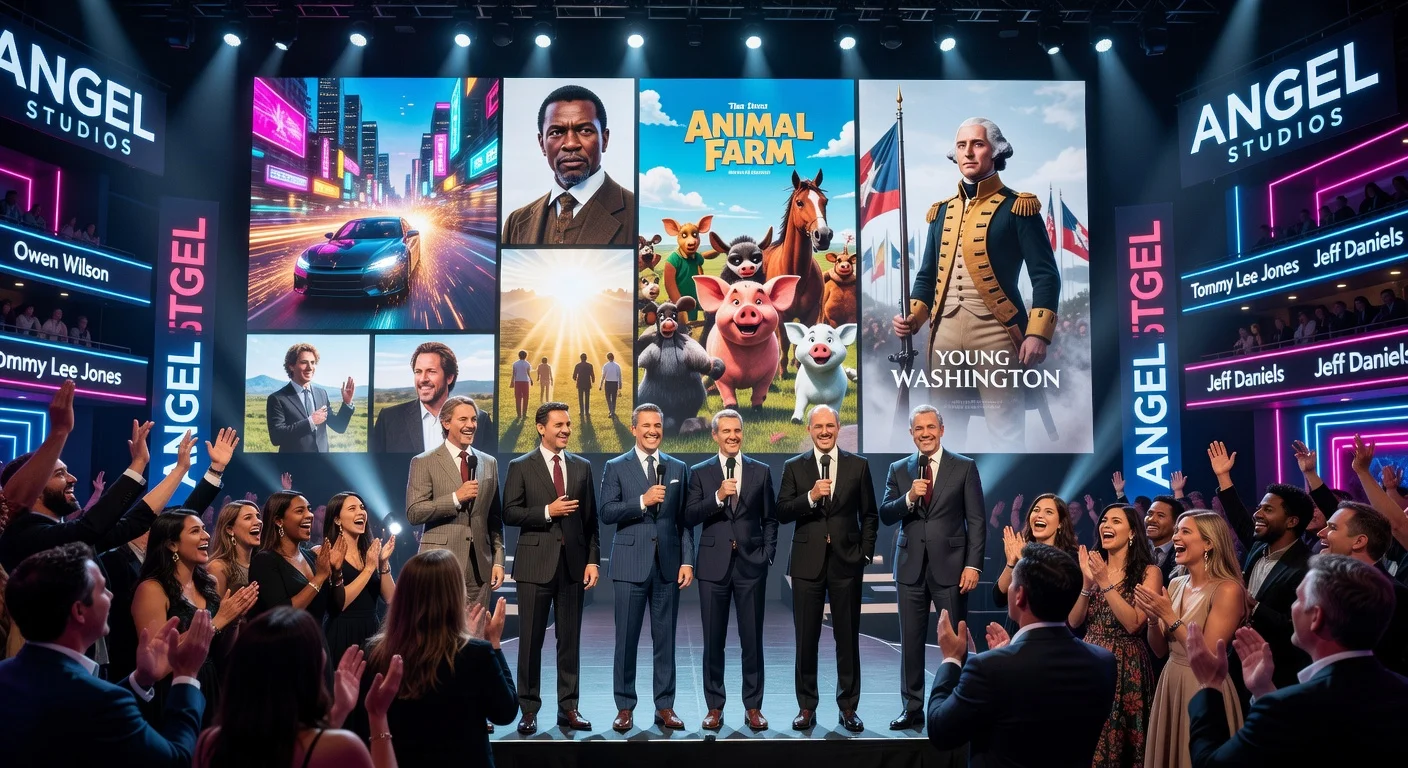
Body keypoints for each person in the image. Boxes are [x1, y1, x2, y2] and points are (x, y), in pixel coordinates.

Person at [892, 117, 1060, 452]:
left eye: (978, 144)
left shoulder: (1018, 207)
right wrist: (913, 317)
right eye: (961, 145)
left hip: (998, 332)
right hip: (943, 334)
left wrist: (1038, 334)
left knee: (1006, 430)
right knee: (942, 432)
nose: (968, 152)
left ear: (996, 151)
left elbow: (1045, 275)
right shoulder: (941, 212)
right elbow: (926, 277)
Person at [0, 543, 214, 767]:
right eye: (102, 589)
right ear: (79, 611)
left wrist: (140, 678)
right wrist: (186, 675)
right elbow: (176, 760)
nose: (111, 596)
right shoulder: (103, 702)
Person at [1184, 556, 1408, 767]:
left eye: (1298, 599)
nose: (1292, 607)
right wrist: (1263, 689)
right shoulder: (1401, 691)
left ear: (1316, 617)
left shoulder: (1288, 708)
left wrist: (1210, 685)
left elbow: (1209, 763)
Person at [926, 543, 1116, 766]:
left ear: (1020, 595)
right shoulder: (1103, 662)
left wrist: (952, 659)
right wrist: (1004, 657)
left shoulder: (989, 669)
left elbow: (941, 731)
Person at [879, 405, 986, 730]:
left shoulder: (964, 466)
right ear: (911, 433)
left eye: (930, 427)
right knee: (910, 642)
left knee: (954, 640)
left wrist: (973, 566)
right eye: (918, 429)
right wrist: (909, 498)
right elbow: (886, 513)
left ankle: (956, 705)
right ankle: (912, 708)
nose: (925, 433)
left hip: (952, 569)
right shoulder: (899, 469)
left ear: (941, 429)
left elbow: (977, 521)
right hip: (909, 567)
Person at [360, 552, 517, 767]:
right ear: (454, 596)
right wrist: (494, 644)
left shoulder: (376, 654)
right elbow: (505, 712)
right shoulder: (476, 654)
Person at [194, 607, 402, 768]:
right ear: (307, 671)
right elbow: (313, 750)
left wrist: (339, 709)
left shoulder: (210, 744)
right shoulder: (346, 748)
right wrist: (377, 716)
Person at [777, 405, 878, 733]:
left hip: (847, 563)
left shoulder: (858, 465)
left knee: (847, 638)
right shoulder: (795, 466)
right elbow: (782, 511)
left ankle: (848, 707)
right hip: (807, 564)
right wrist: (809, 497)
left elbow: (870, 515)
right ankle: (807, 706)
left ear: (838, 427)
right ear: (809, 429)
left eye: (829, 426)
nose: (824, 431)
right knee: (806, 639)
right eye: (818, 426)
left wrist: (864, 554)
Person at [502, 401, 600, 734]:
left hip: (572, 567)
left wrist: (592, 560)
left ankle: (569, 707)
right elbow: (510, 512)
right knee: (530, 642)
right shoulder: (521, 466)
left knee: (569, 641)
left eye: (568, 424)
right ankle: (528, 709)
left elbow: (591, 521)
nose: (566, 430)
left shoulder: (582, 466)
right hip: (534, 566)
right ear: (541, 428)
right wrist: (547, 511)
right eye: (559, 425)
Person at [598, 403, 694, 732]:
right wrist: (642, 501)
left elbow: (684, 521)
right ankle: (625, 707)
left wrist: (687, 560)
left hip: (667, 566)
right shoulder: (616, 466)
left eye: (658, 426)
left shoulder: (678, 467)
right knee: (626, 640)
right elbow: (606, 512)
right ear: (634, 429)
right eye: (646, 426)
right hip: (629, 566)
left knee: (665, 640)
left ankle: (664, 706)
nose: (653, 431)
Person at [684, 408, 778, 732]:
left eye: (737, 430)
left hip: (751, 566)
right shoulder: (700, 472)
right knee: (713, 641)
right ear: (715, 435)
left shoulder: (761, 470)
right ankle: (715, 707)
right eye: (726, 431)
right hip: (713, 568)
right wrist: (717, 497)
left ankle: (753, 707)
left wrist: (767, 554)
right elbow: (689, 516)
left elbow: (770, 519)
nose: (733, 436)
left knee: (752, 640)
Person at [1134, 511, 1248, 768]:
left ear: (1208, 543)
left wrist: (1168, 615)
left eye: (1185, 531)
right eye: (1176, 531)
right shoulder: (1175, 584)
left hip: (1204, 686)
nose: (1176, 537)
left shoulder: (1228, 589)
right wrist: (1152, 619)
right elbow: (1160, 650)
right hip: (1171, 679)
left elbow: (1207, 656)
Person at [131, 511, 260, 724]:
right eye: (195, 531)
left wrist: (234, 620)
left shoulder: (209, 584)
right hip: (173, 693)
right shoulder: (152, 589)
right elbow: (157, 663)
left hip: (209, 686)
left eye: (204, 529)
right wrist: (216, 622)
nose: (206, 536)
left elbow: (221, 653)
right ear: (172, 544)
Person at [1208, 441, 1314, 695]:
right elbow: (1239, 517)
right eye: (1259, 507)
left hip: (1277, 673)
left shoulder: (1308, 567)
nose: (1257, 514)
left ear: (1292, 521)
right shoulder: (1258, 547)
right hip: (1238, 663)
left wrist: (1254, 606)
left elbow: (1297, 627)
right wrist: (1223, 476)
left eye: (1268, 509)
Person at [1068, 505, 1162, 768]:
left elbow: (1133, 624)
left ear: (1132, 532)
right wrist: (1087, 585)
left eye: (1116, 521)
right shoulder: (1092, 568)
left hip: (1125, 663)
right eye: (1104, 520)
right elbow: (1074, 621)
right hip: (1089, 658)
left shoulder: (1149, 572)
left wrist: (1105, 582)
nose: (1106, 525)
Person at [503, 84, 634, 246]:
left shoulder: (634, 211)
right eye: (556, 132)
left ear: (604, 140)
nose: (571, 144)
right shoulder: (516, 222)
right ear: (542, 144)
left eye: (585, 130)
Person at [405, 396, 504, 609]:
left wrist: (498, 559)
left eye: (474, 419)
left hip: (480, 569)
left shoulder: (489, 463)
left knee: (476, 629)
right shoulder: (424, 461)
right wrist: (455, 498)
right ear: (446, 422)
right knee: (438, 627)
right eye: (463, 419)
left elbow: (495, 518)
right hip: (439, 566)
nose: (471, 425)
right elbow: (414, 512)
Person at [1317, 502, 1408, 674]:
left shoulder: (1393, 595)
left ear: (1359, 541)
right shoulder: (1325, 584)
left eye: (1333, 528)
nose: (1320, 533)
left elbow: (1384, 663)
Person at [318, 493, 395, 667]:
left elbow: (391, 598)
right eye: (352, 509)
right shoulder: (326, 553)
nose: (360, 512)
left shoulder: (370, 552)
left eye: (362, 508)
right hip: (342, 632)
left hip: (372, 630)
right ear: (337, 519)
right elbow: (341, 603)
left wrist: (383, 563)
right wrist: (369, 569)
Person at [248, 490, 345, 622]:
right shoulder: (264, 561)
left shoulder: (312, 557)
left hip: (317, 635)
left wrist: (337, 572)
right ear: (279, 521)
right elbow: (281, 616)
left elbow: (335, 609)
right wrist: (319, 578)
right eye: (300, 511)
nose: (310, 515)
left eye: (309, 509)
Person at [372, 342, 460, 454]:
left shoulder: (478, 420)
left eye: (431, 371)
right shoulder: (388, 419)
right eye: (418, 372)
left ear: (449, 378)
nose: (423, 379)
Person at [266, 343, 355, 454]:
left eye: (312, 363)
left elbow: (339, 427)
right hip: (294, 462)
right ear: (291, 366)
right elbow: (276, 437)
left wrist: (347, 403)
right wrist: (310, 422)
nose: (310, 367)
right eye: (304, 362)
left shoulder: (321, 394)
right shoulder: (277, 399)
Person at [991, 494, 1077, 609]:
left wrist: (1024, 561)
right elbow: (999, 599)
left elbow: (1052, 598)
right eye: (1036, 510)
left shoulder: (1070, 556)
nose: (1039, 515)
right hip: (1021, 619)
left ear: (1060, 523)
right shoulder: (1020, 548)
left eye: (1049, 512)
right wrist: (1011, 563)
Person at [208, 500, 260, 597]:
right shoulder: (218, 567)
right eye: (248, 518)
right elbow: (216, 606)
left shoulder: (263, 564)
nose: (258, 521)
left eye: (258, 516)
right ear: (230, 530)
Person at [1146, 495, 1184, 584]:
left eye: (1160, 515)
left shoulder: (1182, 555)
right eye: (1150, 514)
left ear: (1176, 523)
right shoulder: (1137, 549)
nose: (1151, 519)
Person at [600, 352, 622, 421]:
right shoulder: (617, 366)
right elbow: (619, 376)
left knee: (608, 398)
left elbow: (603, 376)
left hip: (608, 383)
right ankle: (612, 411)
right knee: (614, 398)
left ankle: (611, 411)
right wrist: (620, 385)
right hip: (615, 383)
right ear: (613, 357)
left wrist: (601, 384)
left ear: (608, 358)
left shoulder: (606, 365)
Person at [572, 353, 594, 417]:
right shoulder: (590, 365)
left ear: (580, 358)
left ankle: (581, 411)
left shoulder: (577, 365)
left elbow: (574, 376)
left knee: (580, 398)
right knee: (587, 398)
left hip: (580, 383)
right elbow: (592, 374)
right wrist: (593, 380)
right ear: (586, 358)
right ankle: (587, 412)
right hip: (587, 383)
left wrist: (575, 378)